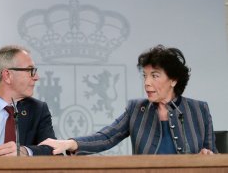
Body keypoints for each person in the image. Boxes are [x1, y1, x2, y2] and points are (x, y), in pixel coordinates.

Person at [39, 44, 217, 155]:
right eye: (145, 76)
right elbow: (107, 137)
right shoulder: (137, 109)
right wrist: (70, 143)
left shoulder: (199, 110)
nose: (147, 83)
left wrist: (207, 156)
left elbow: (213, 154)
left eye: (154, 76)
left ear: (173, 80)